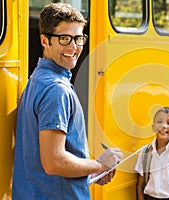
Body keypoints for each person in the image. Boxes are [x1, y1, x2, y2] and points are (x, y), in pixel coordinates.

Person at [12, 3, 122, 199]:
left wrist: (89, 171)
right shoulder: (56, 89)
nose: (74, 47)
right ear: (45, 41)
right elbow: (54, 162)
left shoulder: (37, 79)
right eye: (64, 39)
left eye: (78, 38)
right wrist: (100, 164)